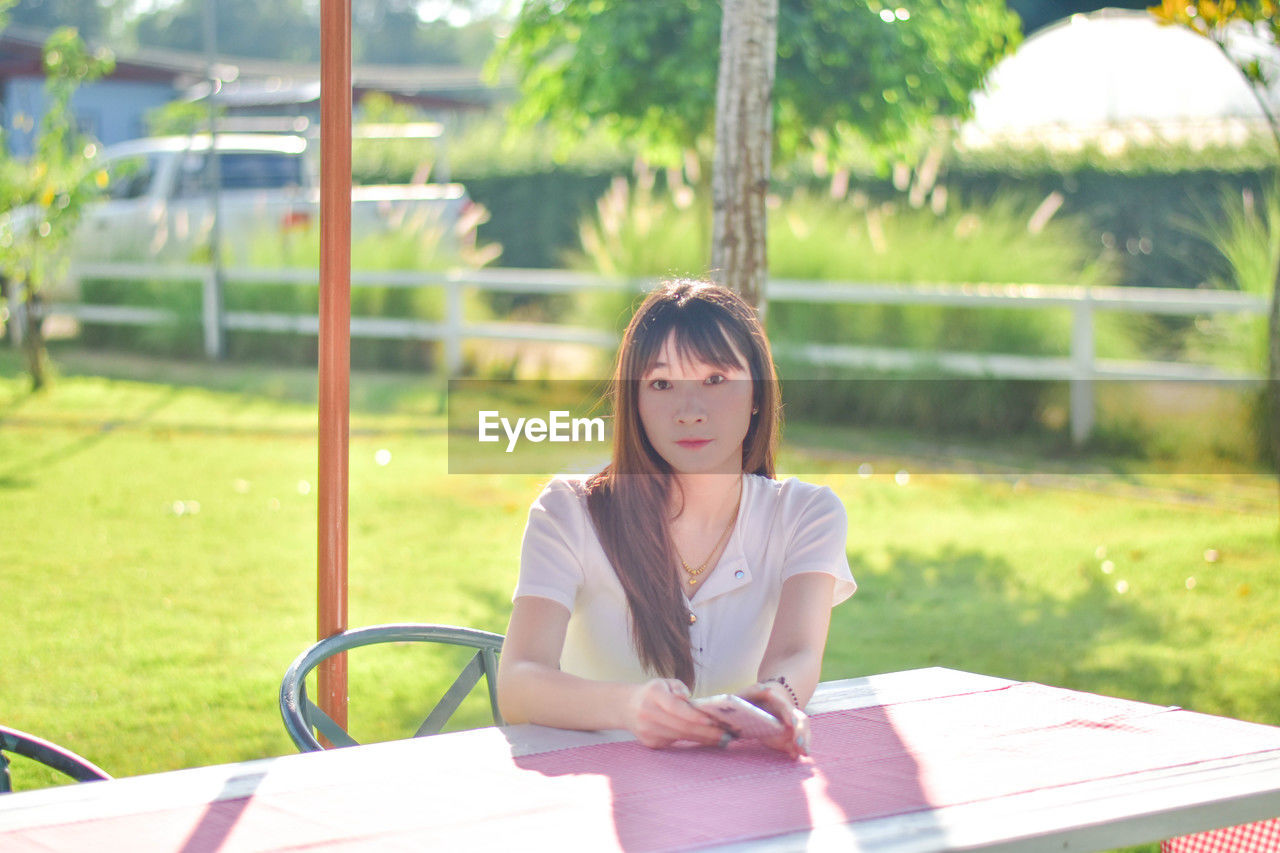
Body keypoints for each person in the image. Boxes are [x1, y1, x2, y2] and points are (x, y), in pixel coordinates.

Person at [497, 279, 855, 758]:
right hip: (597, 798)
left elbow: (798, 652)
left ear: (757, 394)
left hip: (743, 786)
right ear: (635, 402)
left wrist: (775, 699)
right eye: (662, 384)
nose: (689, 411)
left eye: (715, 380)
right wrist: (630, 707)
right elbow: (519, 683)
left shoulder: (808, 514)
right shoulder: (568, 511)